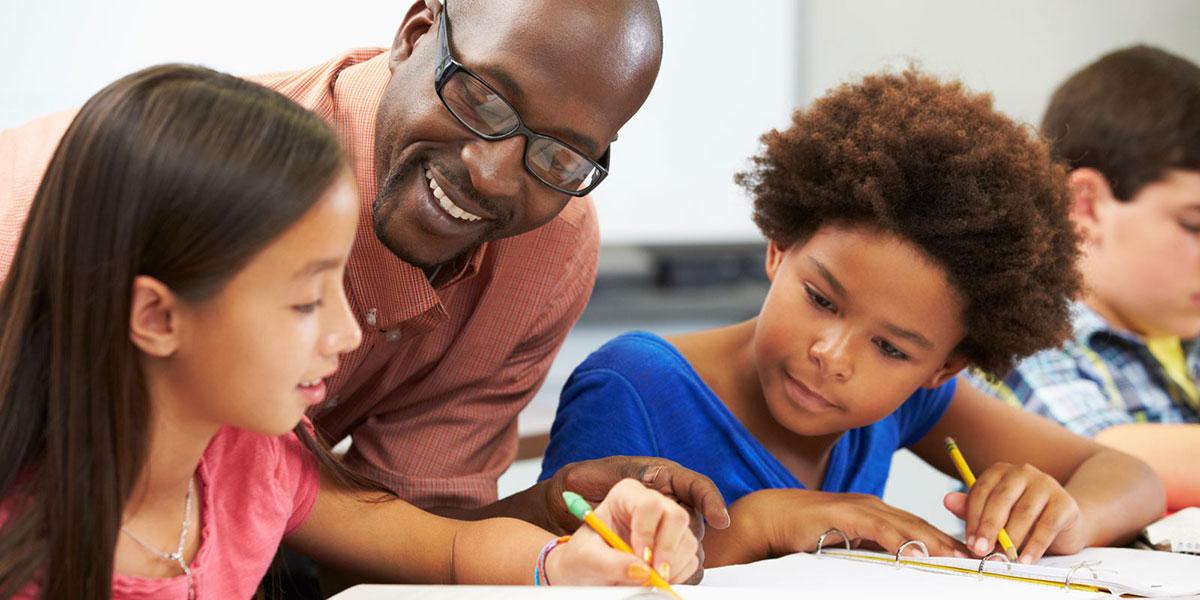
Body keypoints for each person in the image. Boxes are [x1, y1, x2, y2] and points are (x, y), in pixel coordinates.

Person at [0, 0, 730, 547]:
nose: (492, 172)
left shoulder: (548, 249)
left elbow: (399, 542)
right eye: (480, 99)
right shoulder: (118, 203)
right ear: (414, 35)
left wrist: (546, 516)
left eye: (562, 156)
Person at [538, 69, 1167, 567]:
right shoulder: (634, 387)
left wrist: (1068, 514)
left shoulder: (912, 402)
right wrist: (763, 524)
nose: (833, 356)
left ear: (943, 366)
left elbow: (1130, 476)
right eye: (821, 299)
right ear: (779, 247)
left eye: (891, 349)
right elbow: (572, 573)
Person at [967, 45, 1200, 511]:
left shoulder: (1179, 327)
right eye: (1194, 225)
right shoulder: (1018, 336)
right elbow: (1100, 463)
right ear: (1086, 206)